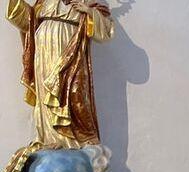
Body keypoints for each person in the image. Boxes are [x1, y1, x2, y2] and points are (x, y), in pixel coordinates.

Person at [5, 0, 114, 148]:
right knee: (45, 91)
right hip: (43, 49)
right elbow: (30, 22)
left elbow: (106, 31)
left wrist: (88, 11)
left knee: (74, 92)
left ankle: (74, 141)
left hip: (70, 45)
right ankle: (50, 138)